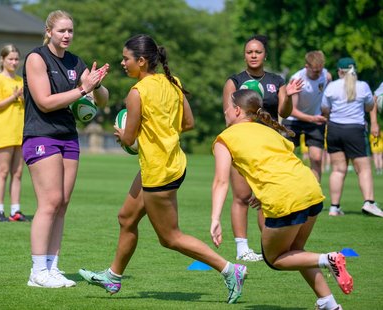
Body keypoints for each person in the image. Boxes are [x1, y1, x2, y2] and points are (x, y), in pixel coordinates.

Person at [79, 34, 247, 304]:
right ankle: (113, 276)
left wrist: (122, 135)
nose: (123, 63)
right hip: (168, 164)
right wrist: (159, 130)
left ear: (142, 61)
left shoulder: (136, 93)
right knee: (126, 218)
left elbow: (130, 140)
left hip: (159, 172)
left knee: (170, 238)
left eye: (126, 58)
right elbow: (188, 123)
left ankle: (231, 270)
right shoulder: (173, 82)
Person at [211, 89, 353, 309]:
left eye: (227, 107)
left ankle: (329, 259)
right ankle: (329, 304)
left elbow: (221, 182)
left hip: (286, 198)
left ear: (237, 110)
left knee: (275, 259)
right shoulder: (269, 131)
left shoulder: (225, 138)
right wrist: (262, 191)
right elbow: (278, 162)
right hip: (310, 189)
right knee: (297, 250)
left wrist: (215, 218)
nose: (225, 111)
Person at [22, 10, 110, 288]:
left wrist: (97, 85)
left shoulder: (75, 62)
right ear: (49, 32)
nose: (67, 35)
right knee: (49, 202)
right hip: (40, 136)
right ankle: (37, 272)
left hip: (68, 137)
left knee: (62, 204)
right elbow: (45, 102)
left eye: (70, 30)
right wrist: (83, 90)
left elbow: (102, 100)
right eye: (61, 30)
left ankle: (53, 267)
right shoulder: (37, 58)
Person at [221, 34, 302, 262]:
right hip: (242, 144)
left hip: (269, 148)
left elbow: (284, 113)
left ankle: (269, 246)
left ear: (265, 55)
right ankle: (242, 249)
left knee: (266, 198)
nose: (253, 55)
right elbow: (228, 117)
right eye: (249, 52)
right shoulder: (234, 81)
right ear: (244, 55)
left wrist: (289, 96)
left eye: (258, 52)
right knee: (242, 196)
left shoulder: (277, 81)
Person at [321, 57, 382, 217]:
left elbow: (325, 109)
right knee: (364, 169)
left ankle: (334, 207)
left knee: (338, 170)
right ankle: (369, 202)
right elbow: (370, 106)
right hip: (354, 130)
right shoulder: (362, 86)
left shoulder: (332, 86)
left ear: (339, 71)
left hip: (334, 129)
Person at [0, 44, 29, 222]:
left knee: (18, 172)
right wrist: (14, 97)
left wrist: (22, 97)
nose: (14, 62)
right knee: (3, 171)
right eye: (10, 59)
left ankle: (15, 210)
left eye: (16, 59)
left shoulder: (20, 80)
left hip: (20, 130)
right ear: (2, 60)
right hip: (3, 130)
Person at [283, 51, 332, 181]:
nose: (318, 74)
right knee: (285, 157)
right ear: (306, 67)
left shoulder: (326, 76)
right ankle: (287, 189)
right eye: (315, 71)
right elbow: (292, 111)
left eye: (320, 70)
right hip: (293, 121)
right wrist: (312, 118)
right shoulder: (297, 80)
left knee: (316, 158)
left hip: (315, 121)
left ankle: (315, 196)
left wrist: (326, 114)